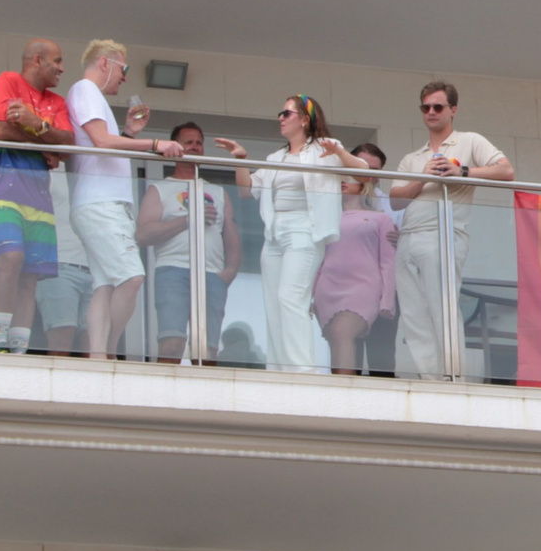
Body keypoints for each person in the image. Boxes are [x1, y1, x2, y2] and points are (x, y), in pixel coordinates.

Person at [213, 97, 373, 372]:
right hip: (275, 235)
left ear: (304, 119)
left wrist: (340, 153)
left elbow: (364, 174)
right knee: (275, 303)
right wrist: (241, 159)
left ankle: (301, 370)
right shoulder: (276, 158)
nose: (281, 118)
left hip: (304, 231)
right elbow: (246, 191)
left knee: (290, 297)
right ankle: (280, 369)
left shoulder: (324, 150)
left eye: (287, 113)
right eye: (280, 113)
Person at [66, 41, 183, 360]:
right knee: (132, 276)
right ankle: (111, 348)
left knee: (104, 285)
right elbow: (102, 141)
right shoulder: (86, 89)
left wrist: (130, 133)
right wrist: (156, 143)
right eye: (124, 69)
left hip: (99, 204)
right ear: (105, 63)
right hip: (101, 205)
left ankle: (99, 354)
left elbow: (102, 147)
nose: (125, 77)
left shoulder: (90, 95)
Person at [389, 81, 513, 379]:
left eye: (438, 107)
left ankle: (452, 378)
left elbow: (506, 171)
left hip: (443, 232)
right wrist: (423, 177)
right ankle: (431, 378)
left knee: (442, 306)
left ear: (452, 110)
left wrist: (464, 171)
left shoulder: (469, 141)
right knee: (414, 315)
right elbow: (395, 200)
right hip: (409, 236)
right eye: (425, 107)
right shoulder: (413, 157)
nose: (431, 112)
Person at [0, 39, 76, 354]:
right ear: (37, 60)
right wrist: (44, 142)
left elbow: (67, 144)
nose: (62, 68)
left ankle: (18, 348)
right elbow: (0, 131)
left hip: (38, 196)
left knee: (31, 276)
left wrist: (35, 123)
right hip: (0, 189)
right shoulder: (8, 81)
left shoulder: (58, 102)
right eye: (57, 61)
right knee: (11, 257)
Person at [139, 122, 242, 364]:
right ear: (174, 148)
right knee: (172, 344)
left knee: (207, 351)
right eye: (188, 142)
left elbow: (232, 237)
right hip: (172, 270)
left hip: (212, 273)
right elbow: (143, 234)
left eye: (198, 143)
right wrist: (189, 219)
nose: (195, 147)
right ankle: (165, 395)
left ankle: (206, 399)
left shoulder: (217, 191)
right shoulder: (160, 188)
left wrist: (229, 272)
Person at [315, 154, 399, 376]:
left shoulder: (381, 219)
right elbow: (318, 261)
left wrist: (388, 300)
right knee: (336, 337)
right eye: (340, 177)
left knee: (343, 331)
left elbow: (387, 262)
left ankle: (344, 395)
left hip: (363, 286)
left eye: (350, 177)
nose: (343, 181)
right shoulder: (326, 218)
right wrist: (310, 295)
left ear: (363, 185)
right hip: (328, 287)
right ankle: (343, 391)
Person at [35, 164, 95, 359]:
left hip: (96, 267)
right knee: (62, 335)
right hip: (57, 262)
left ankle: (94, 389)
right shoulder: (46, 167)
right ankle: (58, 388)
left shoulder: (91, 169)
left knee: (94, 341)